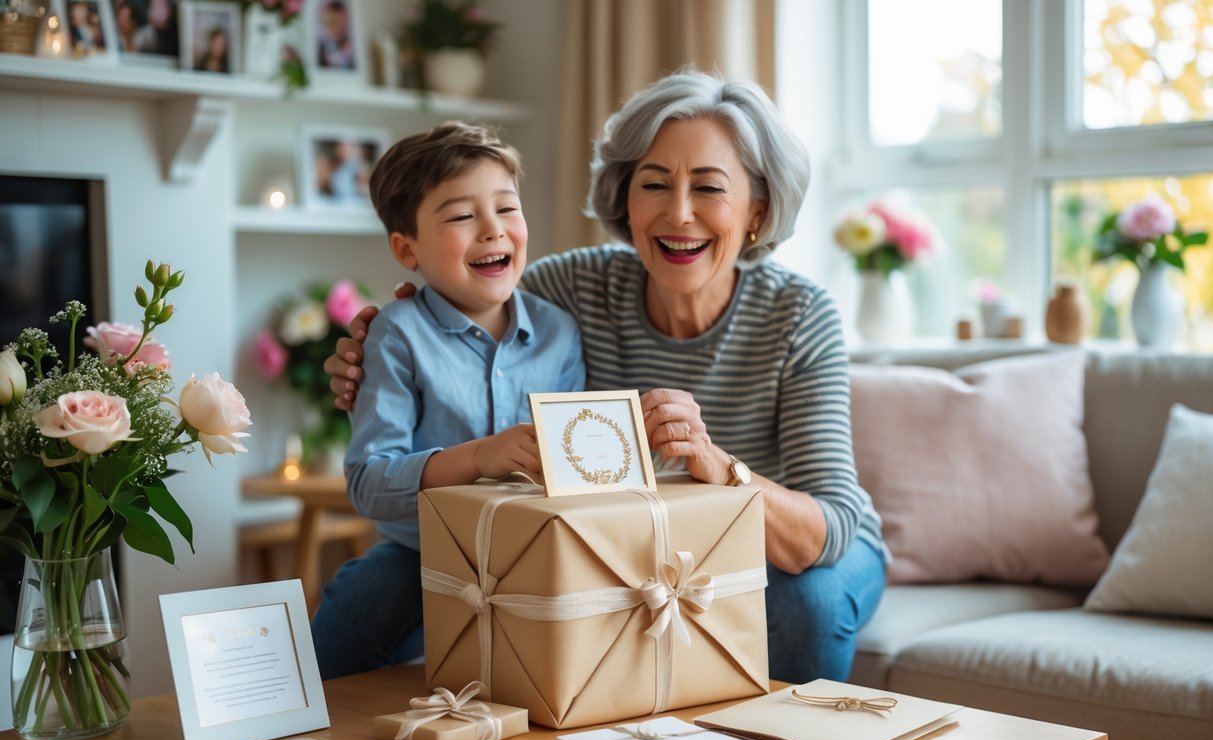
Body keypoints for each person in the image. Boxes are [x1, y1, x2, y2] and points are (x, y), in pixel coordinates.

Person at [326, 70, 888, 685]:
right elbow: (465, 302)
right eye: (654, 184)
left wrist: (718, 465)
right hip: (648, 545)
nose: (679, 213)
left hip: (799, 549)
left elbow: (829, 529)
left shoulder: (800, 315)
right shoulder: (570, 288)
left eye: (708, 188)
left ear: (758, 207)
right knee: (385, 586)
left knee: (807, 601)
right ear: (624, 198)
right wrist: (373, 346)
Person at [310, 122, 585, 679]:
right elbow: (368, 482)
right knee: (358, 604)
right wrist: (477, 458)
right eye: (462, 216)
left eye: (506, 208)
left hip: (540, 554)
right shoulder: (396, 333)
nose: (493, 229)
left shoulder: (559, 332)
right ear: (406, 248)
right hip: (424, 558)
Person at [317, 0, 354, 69]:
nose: (330, 29)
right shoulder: (323, 48)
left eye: (334, 22)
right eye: (326, 24)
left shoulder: (354, 43)